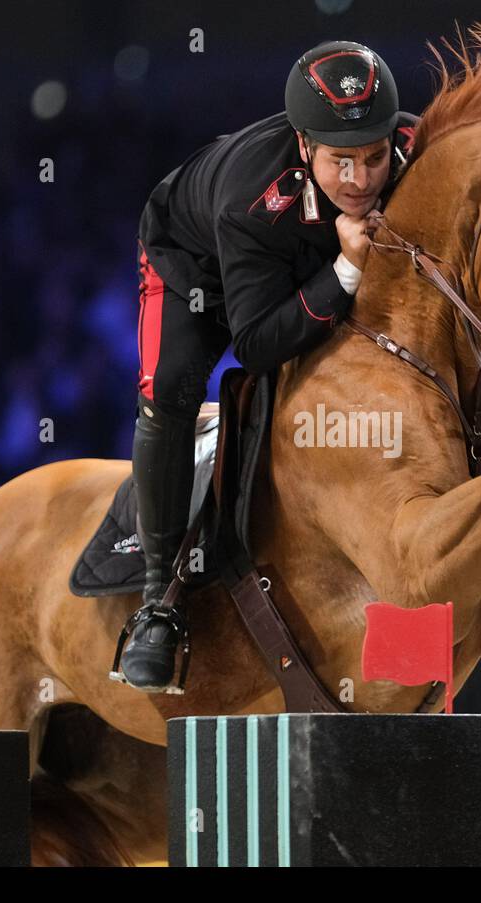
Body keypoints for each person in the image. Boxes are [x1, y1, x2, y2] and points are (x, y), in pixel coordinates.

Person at [122, 40, 416, 691]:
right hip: (194, 270)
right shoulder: (250, 198)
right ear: (305, 146)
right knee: (168, 389)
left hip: (299, 256)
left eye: (374, 158)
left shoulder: (407, 151)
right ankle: (156, 606)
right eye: (342, 162)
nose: (362, 181)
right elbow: (253, 342)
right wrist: (344, 270)